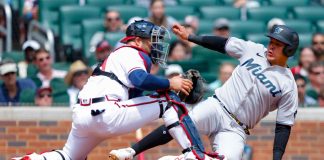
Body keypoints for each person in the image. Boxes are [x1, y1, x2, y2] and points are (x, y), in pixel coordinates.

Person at [14, 20, 214, 160]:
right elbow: (140, 79)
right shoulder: (131, 52)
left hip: (83, 115)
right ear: (137, 41)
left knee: (69, 155)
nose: (156, 45)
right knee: (169, 101)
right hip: (106, 112)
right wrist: (170, 84)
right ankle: (195, 154)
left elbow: (137, 94)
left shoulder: (118, 57)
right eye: (151, 40)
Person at [110, 24, 300, 160]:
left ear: (289, 50)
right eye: (271, 41)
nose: (271, 46)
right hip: (217, 106)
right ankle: (131, 151)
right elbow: (222, 43)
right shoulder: (254, 50)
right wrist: (190, 37)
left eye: (278, 44)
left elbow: (283, 127)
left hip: (237, 129)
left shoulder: (287, 84)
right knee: (180, 123)